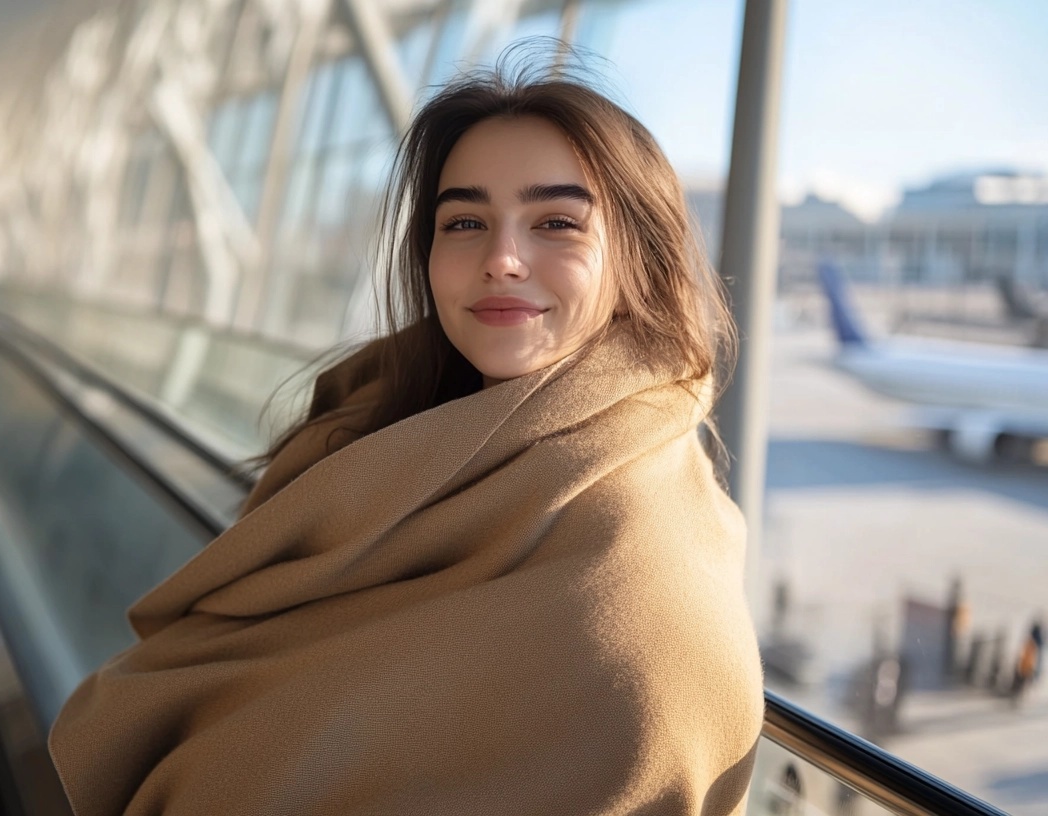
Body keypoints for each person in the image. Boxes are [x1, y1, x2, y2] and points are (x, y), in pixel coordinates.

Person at [49, 49, 763, 815]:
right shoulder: (375, 431)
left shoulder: (647, 579)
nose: (501, 259)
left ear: (637, 258)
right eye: (464, 222)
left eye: (556, 222)